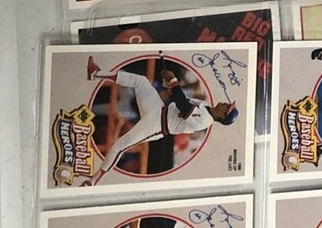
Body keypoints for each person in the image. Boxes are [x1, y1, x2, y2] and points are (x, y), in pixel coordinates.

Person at [85, 56, 237, 179]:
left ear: (223, 115)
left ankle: (94, 180)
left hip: (157, 125)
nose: (225, 104)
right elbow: (178, 99)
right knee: (140, 81)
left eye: (227, 108)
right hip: (158, 109)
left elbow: (183, 106)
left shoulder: (205, 120)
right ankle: (97, 73)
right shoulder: (206, 105)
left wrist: (173, 82)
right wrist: (169, 84)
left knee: (119, 146)